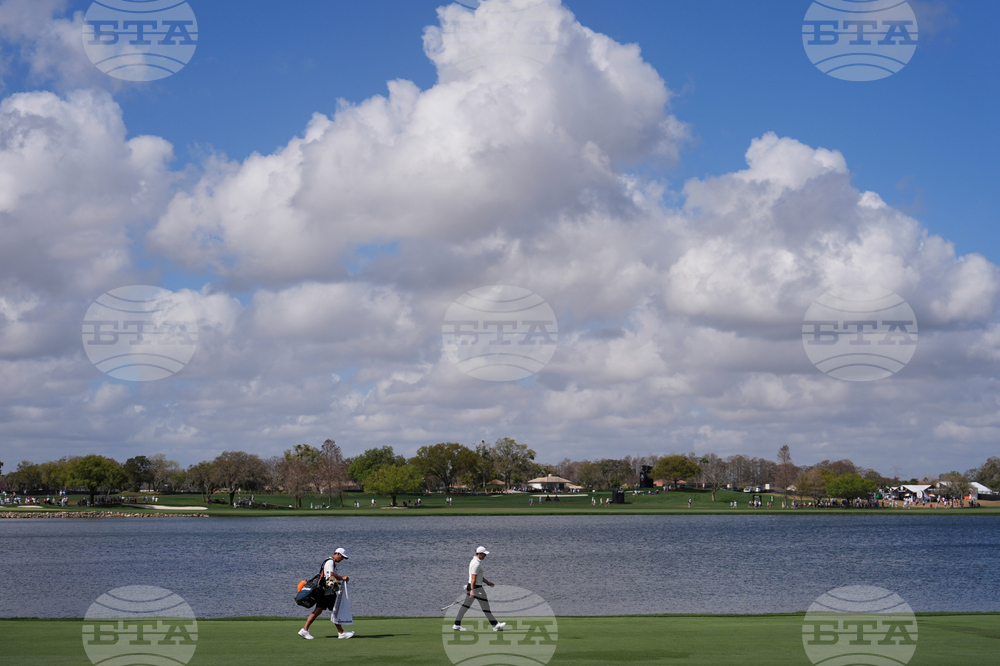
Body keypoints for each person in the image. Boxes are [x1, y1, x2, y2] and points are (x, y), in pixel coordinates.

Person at [299, 548, 354, 640]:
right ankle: (341, 632)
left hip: (325, 591)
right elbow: (331, 575)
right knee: (335, 610)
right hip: (327, 592)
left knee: (318, 610)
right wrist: (342, 578)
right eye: (342, 557)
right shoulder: (330, 562)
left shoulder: (330, 562)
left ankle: (305, 630)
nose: (342, 559)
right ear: (337, 554)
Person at [452, 547, 506, 632]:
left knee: (466, 606)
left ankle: (456, 625)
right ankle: (495, 625)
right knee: (485, 607)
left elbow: (478, 576)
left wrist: (488, 582)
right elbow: (473, 578)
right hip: (476, 588)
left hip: (473, 586)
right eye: (484, 554)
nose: (485, 556)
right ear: (480, 553)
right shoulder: (476, 564)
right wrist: (472, 590)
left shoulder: (475, 561)